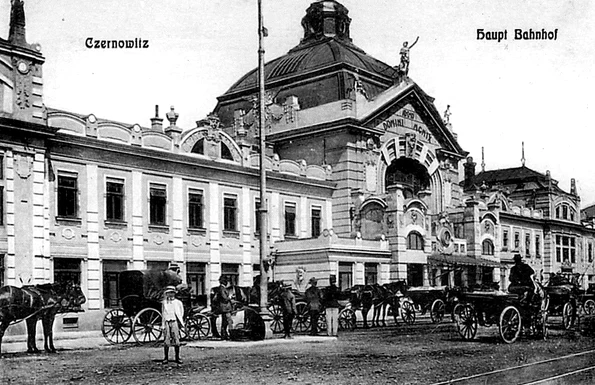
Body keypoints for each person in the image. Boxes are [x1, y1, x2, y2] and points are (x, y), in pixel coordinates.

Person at [161, 286, 184, 364]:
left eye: (171, 293)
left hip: (174, 321)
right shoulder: (164, 303)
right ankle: (166, 357)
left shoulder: (178, 302)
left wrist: (180, 322)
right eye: (168, 293)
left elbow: (181, 312)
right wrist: (163, 325)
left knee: (176, 340)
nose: (170, 295)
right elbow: (163, 313)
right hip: (167, 321)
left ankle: (177, 357)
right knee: (166, 340)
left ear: (174, 293)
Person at [213, 275, 233, 340]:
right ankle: (225, 334)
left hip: (224, 307)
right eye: (226, 281)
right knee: (227, 321)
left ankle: (224, 334)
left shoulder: (222, 288)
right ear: (224, 282)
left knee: (225, 322)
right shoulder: (222, 288)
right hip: (225, 308)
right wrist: (229, 297)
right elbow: (224, 297)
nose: (227, 283)